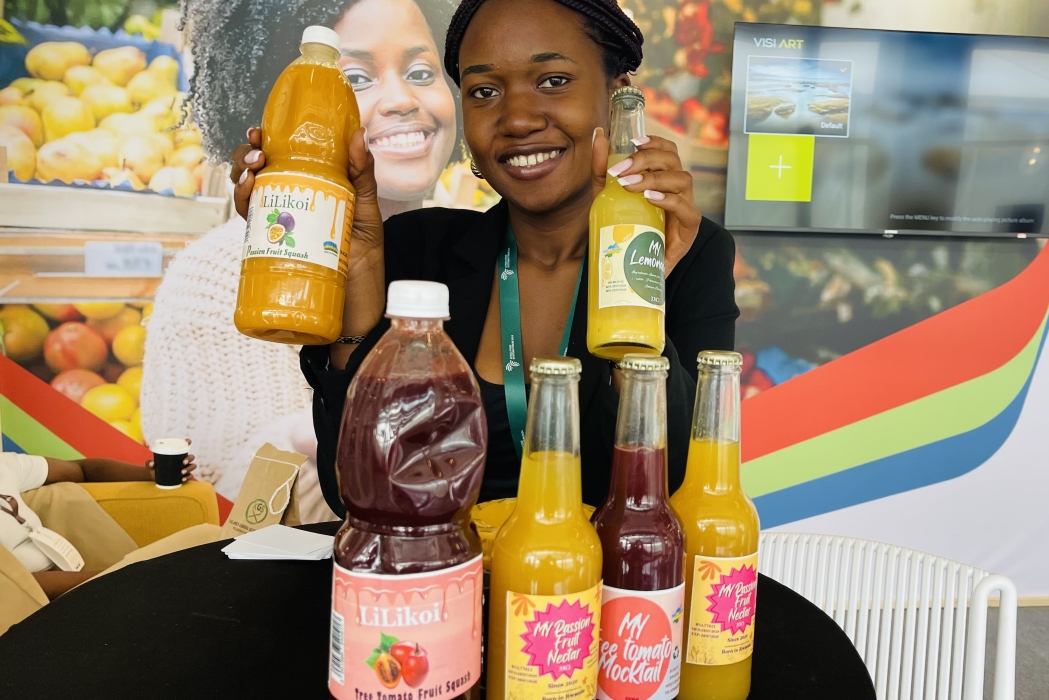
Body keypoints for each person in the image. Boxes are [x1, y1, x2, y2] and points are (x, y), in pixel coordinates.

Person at [232, 0, 739, 514]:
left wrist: (640, 293)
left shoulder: (691, 254)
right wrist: (359, 264)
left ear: (617, 92)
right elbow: (354, 494)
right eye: (485, 91)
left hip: (591, 591)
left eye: (553, 80)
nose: (517, 119)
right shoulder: (417, 249)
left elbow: (668, 493)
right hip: (432, 584)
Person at [142, 0, 459, 506]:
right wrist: (320, 430)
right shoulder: (215, 279)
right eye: (354, 79)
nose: (401, 99)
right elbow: (209, 494)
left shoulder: (469, 251)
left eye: (421, 71)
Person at [0, 449, 213, 633]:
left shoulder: (5, 464)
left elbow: (81, 470)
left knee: (207, 538)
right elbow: (14, 586)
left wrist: (147, 473)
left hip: (79, 578)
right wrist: (115, 578)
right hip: (29, 604)